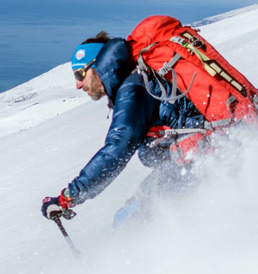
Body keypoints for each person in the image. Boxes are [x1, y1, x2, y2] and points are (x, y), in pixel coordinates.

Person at [40, 31, 206, 227]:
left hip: (199, 160)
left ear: (97, 67)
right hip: (193, 159)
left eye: (80, 74)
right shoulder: (136, 83)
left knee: (131, 222)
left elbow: (117, 149)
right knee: (130, 213)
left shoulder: (133, 89)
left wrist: (68, 197)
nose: (78, 84)